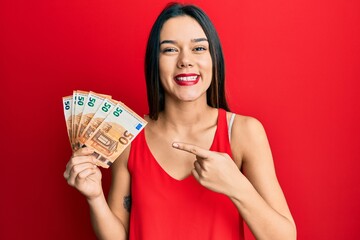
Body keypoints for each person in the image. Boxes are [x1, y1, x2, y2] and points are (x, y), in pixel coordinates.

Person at [64, 2, 296, 240]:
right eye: (170, 50)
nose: (185, 60)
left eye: (198, 48)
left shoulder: (244, 132)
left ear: (214, 58)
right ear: (155, 62)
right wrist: (95, 198)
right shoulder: (131, 137)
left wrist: (237, 186)